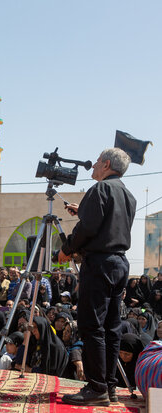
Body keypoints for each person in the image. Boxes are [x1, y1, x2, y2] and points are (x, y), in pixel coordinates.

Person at [59, 148, 136, 406]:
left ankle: (96, 387)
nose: (92, 168)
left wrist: (67, 248)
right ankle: (109, 386)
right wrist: (84, 210)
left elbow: (89, 228)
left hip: (100, 263)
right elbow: (107, 223)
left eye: (96, 163)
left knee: (92, 326)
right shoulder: (128, 195)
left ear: (105, 164)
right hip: (119, 263)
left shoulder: (100, 190)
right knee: (111, 328)